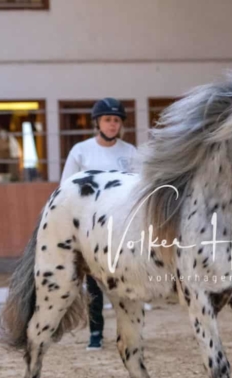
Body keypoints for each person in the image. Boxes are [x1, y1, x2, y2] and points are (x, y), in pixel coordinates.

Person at [60, 98, 140, 350]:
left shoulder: (130, 153)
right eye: (107, 119)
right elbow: (66, 188)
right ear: (98, 123)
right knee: (93, 280)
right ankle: (95, 332)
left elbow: (139, 188)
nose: (112, 124)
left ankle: (128, 332)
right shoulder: (81, 151)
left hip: (122, 225)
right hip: (91, 225)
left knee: (124, 282)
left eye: (116, 120)